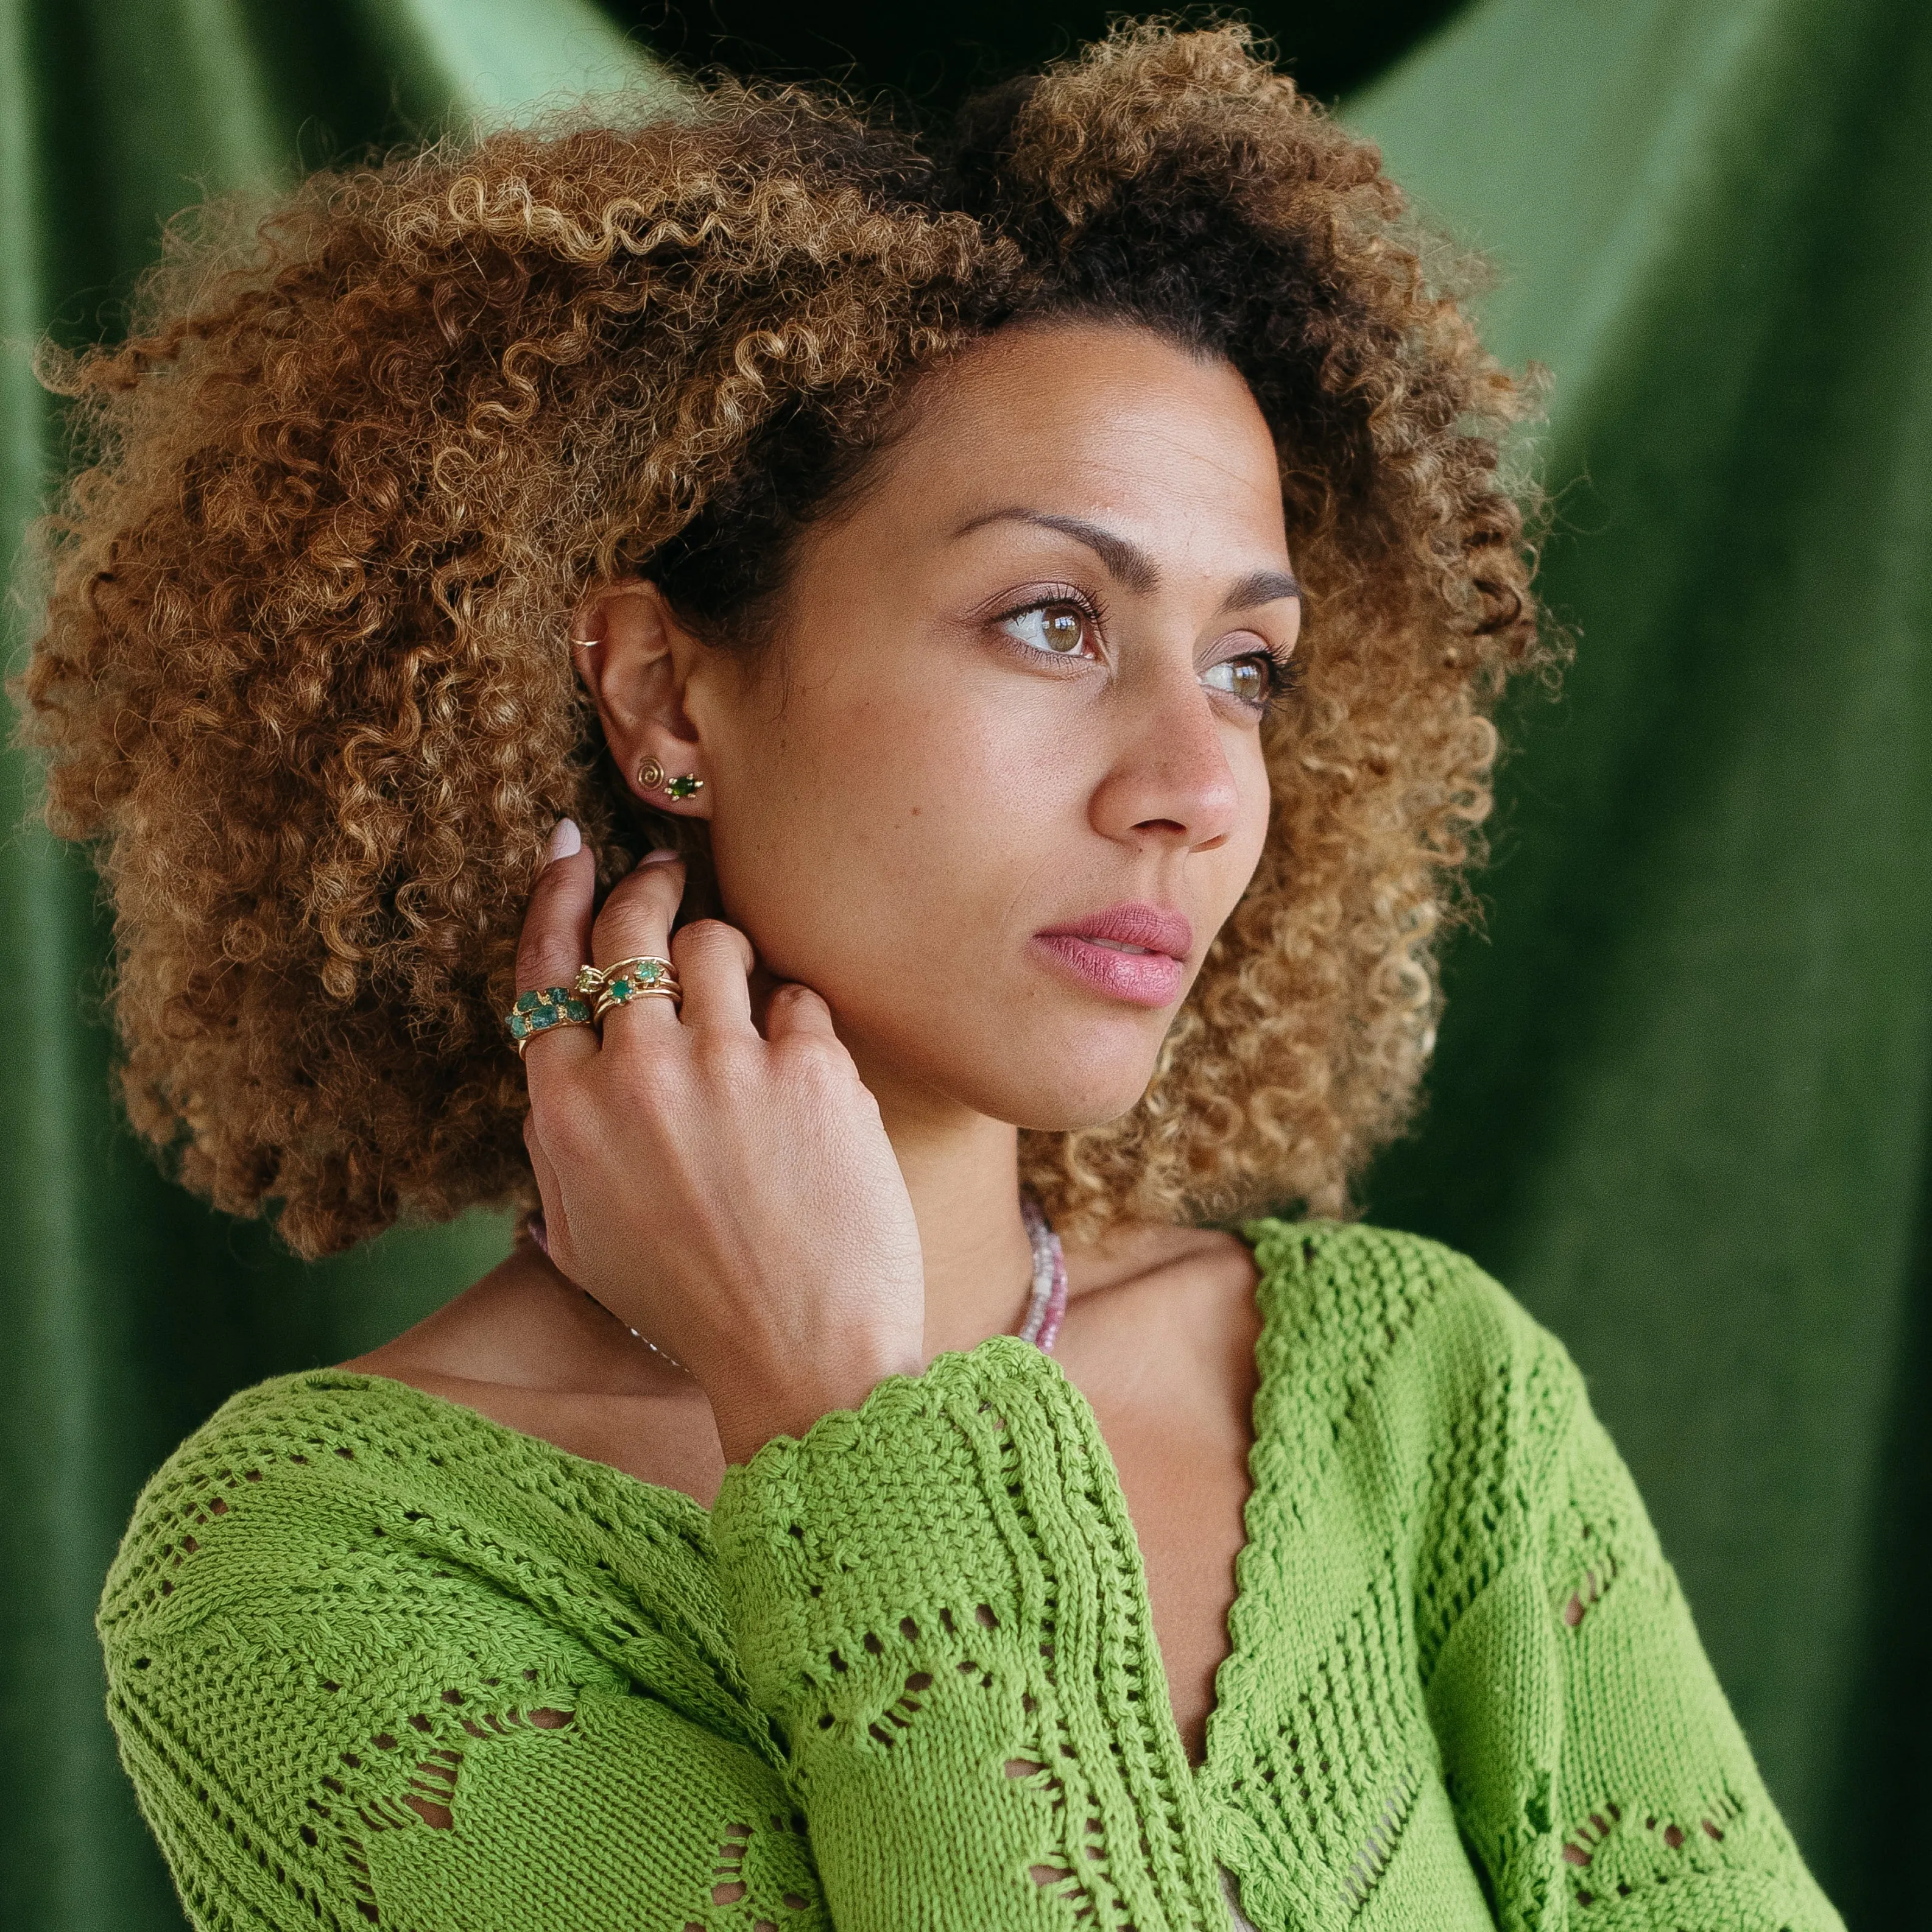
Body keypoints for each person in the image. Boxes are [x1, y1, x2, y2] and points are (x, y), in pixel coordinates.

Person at [18, 23, 1842, 1931]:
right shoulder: (317, 1575)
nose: (1201, 789)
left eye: (1248, 667)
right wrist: (837, 1414)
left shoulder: (1417, 1398)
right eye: (1057, 622)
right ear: (663, 695)